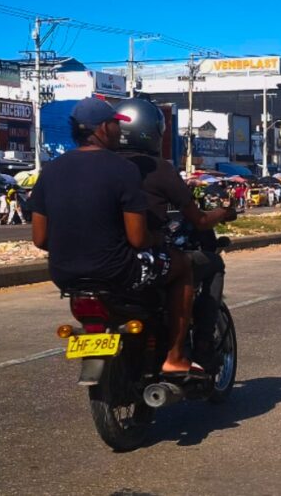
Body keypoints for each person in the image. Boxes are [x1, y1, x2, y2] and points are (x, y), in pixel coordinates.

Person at [32, 98, 195, 377]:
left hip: (64, 275)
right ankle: (176, 356)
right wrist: (157, 237)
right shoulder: (123, 169)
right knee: (183, 267)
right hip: (118, 272)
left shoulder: (51, 171)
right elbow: (137, 239)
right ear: (102, 128)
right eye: (115, 124)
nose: (120, 131)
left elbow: (40, 239)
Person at [113, 97, 238, 364]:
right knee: (210, 264)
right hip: (143, 257)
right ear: (151, 133)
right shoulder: (158, 169)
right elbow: (200, 220)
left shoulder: (103, 167)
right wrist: (224, 213)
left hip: (104, 260)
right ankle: (196, 346)